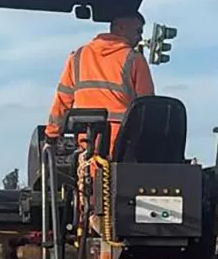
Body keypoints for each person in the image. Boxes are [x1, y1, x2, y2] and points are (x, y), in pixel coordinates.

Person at [46, 11, 154, 154]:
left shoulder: (78, 57)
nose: (140, 37)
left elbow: (62, 101)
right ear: (121, 28)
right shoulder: (135, 59)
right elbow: (147, 105)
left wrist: (51, 137)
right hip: (122, 144)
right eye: (138, 31)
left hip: (87, 142)